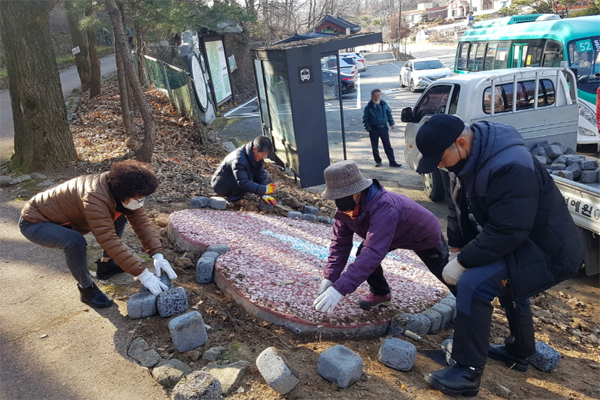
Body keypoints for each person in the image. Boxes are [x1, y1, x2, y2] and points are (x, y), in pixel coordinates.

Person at [415, 114, 585, 397]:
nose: (439, 165)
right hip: (519, 241)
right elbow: (457, 210)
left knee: (475, 283)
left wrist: (466, 262)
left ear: (460, 143)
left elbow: (509, 230)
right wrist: (455, 250)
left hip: (545, 248)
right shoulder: (465, 162)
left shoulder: (510, 165)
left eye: (440, 157)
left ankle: (466, 372)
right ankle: (519, 350)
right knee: (503, 283)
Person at [19, 160, 177, 309]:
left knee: (120, 214)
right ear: (124, 193)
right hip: (36, 222)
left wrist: (157, 254)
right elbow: (108, 239)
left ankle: (107, 265)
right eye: (139, 198)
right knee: (75, 242)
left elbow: (141, 222)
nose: (141, 202)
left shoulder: (119, 188)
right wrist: (142, 273)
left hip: (62, 219)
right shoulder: (94, 196)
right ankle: (86, 289)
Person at [313, 160, 450, 313]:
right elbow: (340, 244)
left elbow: (373, 251)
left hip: (422, 233)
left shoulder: (384, 207)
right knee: (361, 253)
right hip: (391, 234)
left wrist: (339, 289)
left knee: (446, 273)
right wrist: (330, 277)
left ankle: (470, 305)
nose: (349, 214)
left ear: (358, 192)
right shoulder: (343, 211)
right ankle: (381, 293)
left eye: (352, 208)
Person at [211, 136, 276, 206]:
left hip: (237, 179)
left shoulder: (254, 155)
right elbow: (243, 182)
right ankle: (232, 199)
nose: (264, 157)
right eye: (263, 154)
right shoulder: (239, 159)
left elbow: (259, 174)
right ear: (255, 149)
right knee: (244, 177)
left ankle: (237, 196)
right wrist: (264, 189)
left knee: (265, 174)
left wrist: (264, 194)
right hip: (221, 185)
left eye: (266, 155)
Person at [362, 89, 401, 168]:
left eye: (378, 95)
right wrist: (369, 129)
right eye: (375, 95)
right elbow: (365, 119)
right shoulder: (368, 107)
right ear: (372, 96)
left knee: (387, 145)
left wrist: (392, 123)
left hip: (383, 128)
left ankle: (392, 161)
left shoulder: (384, 104)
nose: (377, 97)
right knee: (375, 146)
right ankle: (378, 161)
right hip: (374, 129)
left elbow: (389, 114)